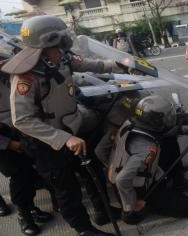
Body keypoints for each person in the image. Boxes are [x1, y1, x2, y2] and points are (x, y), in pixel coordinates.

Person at [2, 15, 126, 236]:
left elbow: (91, 64)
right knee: (66, 187)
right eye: (60, 41)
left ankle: (102, 211)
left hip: (71, 129)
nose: (64, 44)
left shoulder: (62, 58)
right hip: (47, 141)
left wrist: (121, 64)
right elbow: (22, 119)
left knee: (92, 171)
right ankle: (83, 229)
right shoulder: (26, 76)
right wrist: (65, 139)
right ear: (48, 42)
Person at [107, 94, 188, 224]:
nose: (168, 118)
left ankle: (176, 181)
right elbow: (122, 179)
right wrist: (131, 205)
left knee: (169, 140)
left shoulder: (132, 123)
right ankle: (148, 206)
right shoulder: (146, 147)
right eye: (164, 117)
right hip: (136, 190)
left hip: (128, 180)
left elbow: (165, 132)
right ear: (154, 121)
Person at [0, 61, 54, 236]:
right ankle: (24, 215)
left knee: (32, 174)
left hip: (24, 131)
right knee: (19, 176)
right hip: (5, 139)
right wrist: (8, 143)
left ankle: (31, 208)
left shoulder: (11, 73)